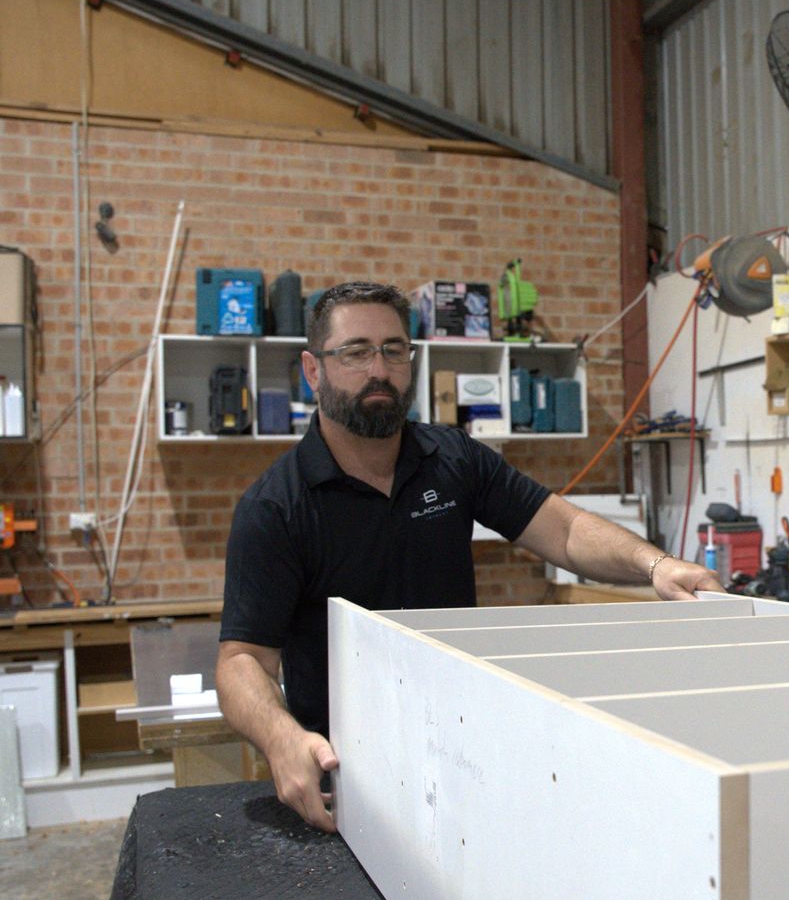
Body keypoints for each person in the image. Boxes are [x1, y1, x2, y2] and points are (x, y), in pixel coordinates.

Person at [217, 281, 722, 832]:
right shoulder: (277, 507)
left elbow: (566, 529)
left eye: (393, 350)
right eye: (356, 352)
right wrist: (282, 738)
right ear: (314, 371)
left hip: (466, 758)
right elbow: (242, 661)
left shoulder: (451, 458)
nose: (379, 370)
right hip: (349, 777)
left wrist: (656, 565)